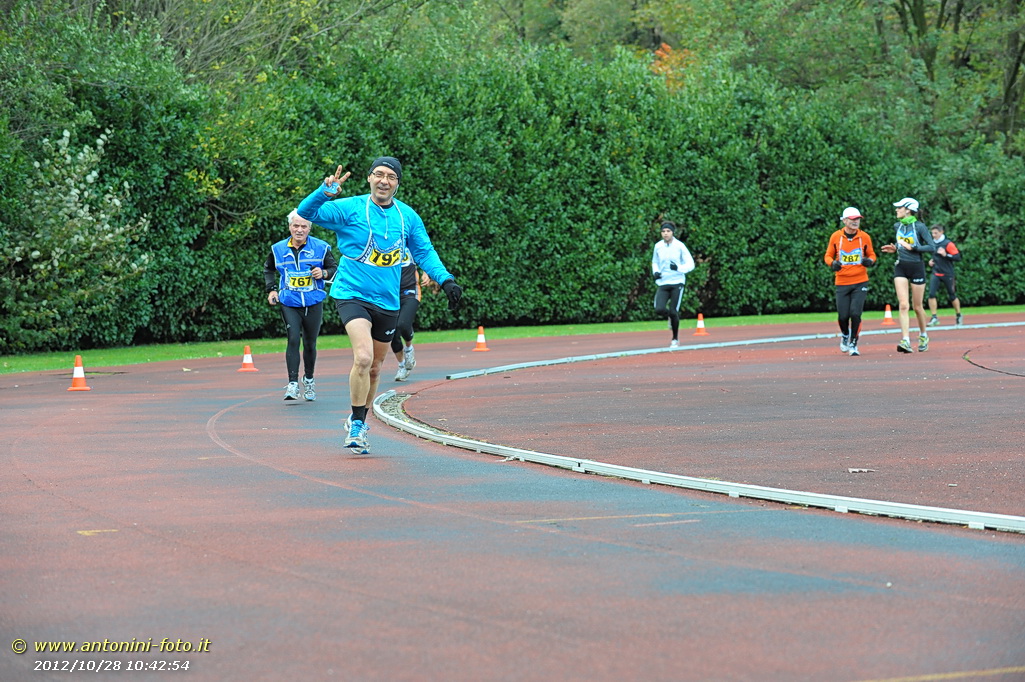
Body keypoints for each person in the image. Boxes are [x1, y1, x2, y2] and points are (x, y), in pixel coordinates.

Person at [297, 157, 462, 454]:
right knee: (363, 358)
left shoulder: (407, 217)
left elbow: (424, 251)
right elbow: (306, 213)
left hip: (387, 300)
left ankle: (358, 419)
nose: (384, 181)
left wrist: (446, 279)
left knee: (375, 368)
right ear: (369, 178)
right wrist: (324, 192)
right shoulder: (350, 208)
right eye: (379, 174)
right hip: (352, 294)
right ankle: (357, 425)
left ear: (397, 184)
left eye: (391, 177)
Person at [264, 210, 337, 401]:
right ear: (289, 227)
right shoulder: (278, 249)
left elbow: (334, 268)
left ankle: (309, 380)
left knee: (310, 344)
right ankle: (293, 384)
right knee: (293, 339)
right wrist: (272, 290)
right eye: (295, 225)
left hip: (313, 302)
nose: (299, 230)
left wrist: (324, 273)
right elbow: (269, 269)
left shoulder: (321, 247)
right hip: (289, 301)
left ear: (309, 228)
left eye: (304, 226)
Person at [880, 197, 935, 353]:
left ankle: (923, 335)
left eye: (899, 207)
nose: (896, 210)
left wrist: (914, 247)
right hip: (901, 267)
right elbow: (901, 244)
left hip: (917, 267)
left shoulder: (920, 227)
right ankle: (906, 340)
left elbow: (931, 247)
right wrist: (895, 248)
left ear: (908, 210)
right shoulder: (897, 226)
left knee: (917, 307)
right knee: (903, 305)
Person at [823, 206, 876, 356]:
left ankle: (853, 343)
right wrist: (832, 263)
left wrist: (870, 261)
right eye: (852, 219)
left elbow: (872, 254)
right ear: (844, 221)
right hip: (842, 282)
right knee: (843, 316)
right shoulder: (836, 237)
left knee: (855, 313)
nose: (856, 222)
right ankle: (845, 335)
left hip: (860, 281)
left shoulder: (865, 237)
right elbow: (828, 255)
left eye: (858, 219)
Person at [651, 221, 695, 348]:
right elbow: (655, 262)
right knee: (659, 309)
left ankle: (675, 339)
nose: (665, 234)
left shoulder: (680, 246)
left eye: (668, 231)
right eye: (663, 231)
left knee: (673, 310)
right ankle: (670, 316)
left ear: (673, 232)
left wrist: (679, 268)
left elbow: (690, 264)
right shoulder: (658, 246)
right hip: (663, 282)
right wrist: (656, 272)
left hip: (677, 282)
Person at [392, 253, 423, 382]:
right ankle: (402, 365)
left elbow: (425, 255)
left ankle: (409, 349)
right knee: (392, 332)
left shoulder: (409, 244)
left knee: (403, 324)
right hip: (390, 293)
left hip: (410, 290)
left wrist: (426, 273)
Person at [927, 224, 963, 327]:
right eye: (932, 233)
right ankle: (934, 317)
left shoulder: (948, 244)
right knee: (931, 294)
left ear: (941, 232)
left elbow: (958, 257)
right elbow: (936, 257)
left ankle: (958, 315)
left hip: (948, 273)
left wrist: (945, 255)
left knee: (952, 295)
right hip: (936, 272)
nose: (933, 235)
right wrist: (931, 261)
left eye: (936, 233)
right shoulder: (932, 243)